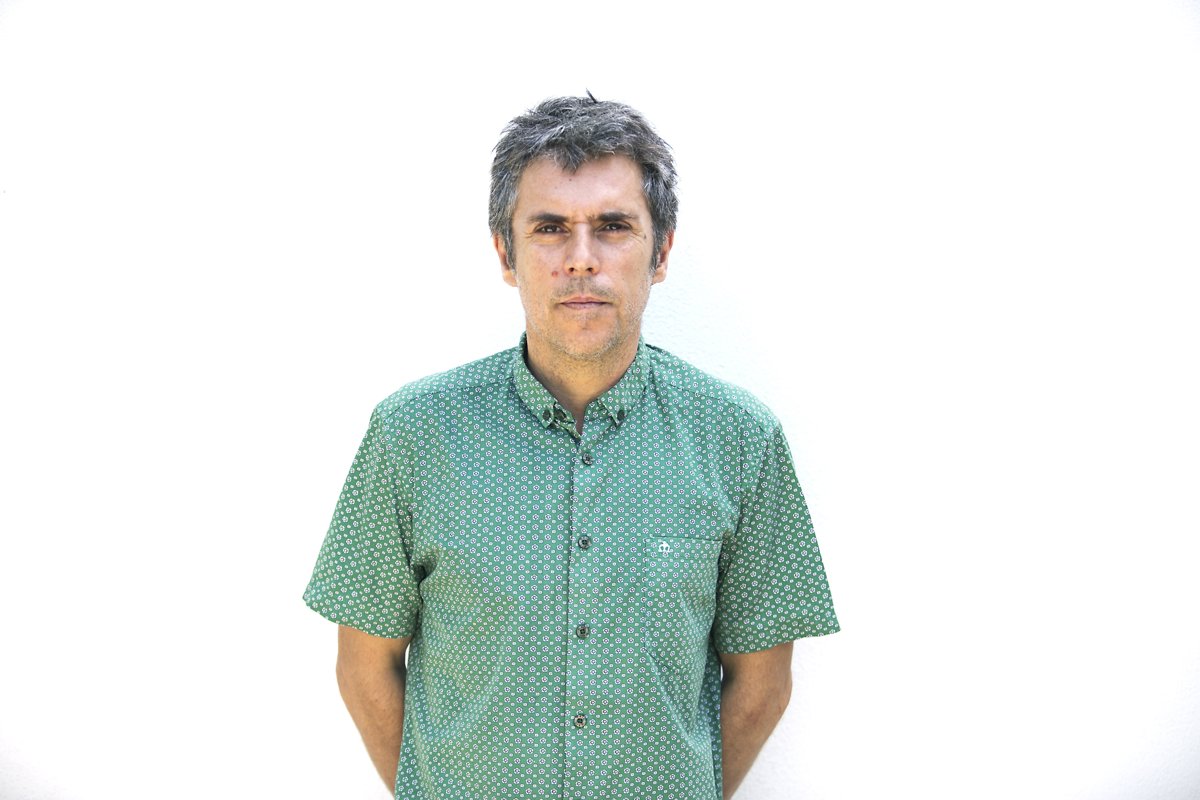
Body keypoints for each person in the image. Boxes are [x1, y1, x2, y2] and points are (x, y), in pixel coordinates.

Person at [303, 95, 839, 800]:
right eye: (550, 228)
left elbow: (763, 680)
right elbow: (364, 666)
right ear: (506, 252)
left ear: (661, 251)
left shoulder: (739, 440)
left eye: (613, 227)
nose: (581, 260)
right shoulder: (413, 435)